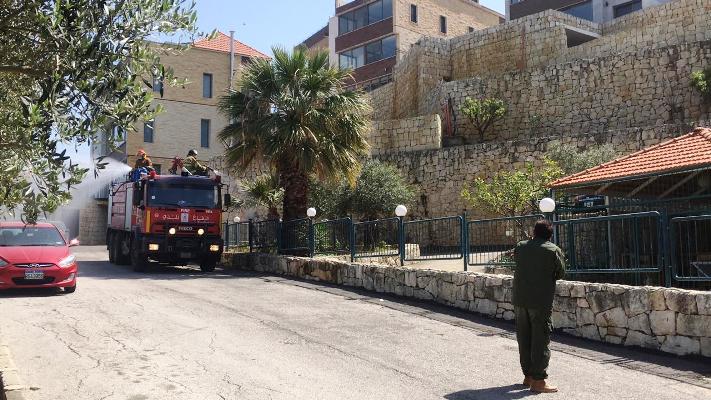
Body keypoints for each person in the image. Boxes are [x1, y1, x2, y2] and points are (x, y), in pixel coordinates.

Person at [513, 219, 565, 393]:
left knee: (524, 338)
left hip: (520, 299)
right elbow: (560, 272)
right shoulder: (553, 250)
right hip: (540, 301)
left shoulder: (520, 247)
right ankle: (539, 381)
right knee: (540, 340)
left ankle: (528, 376)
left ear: (534, 232)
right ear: (550, 235)